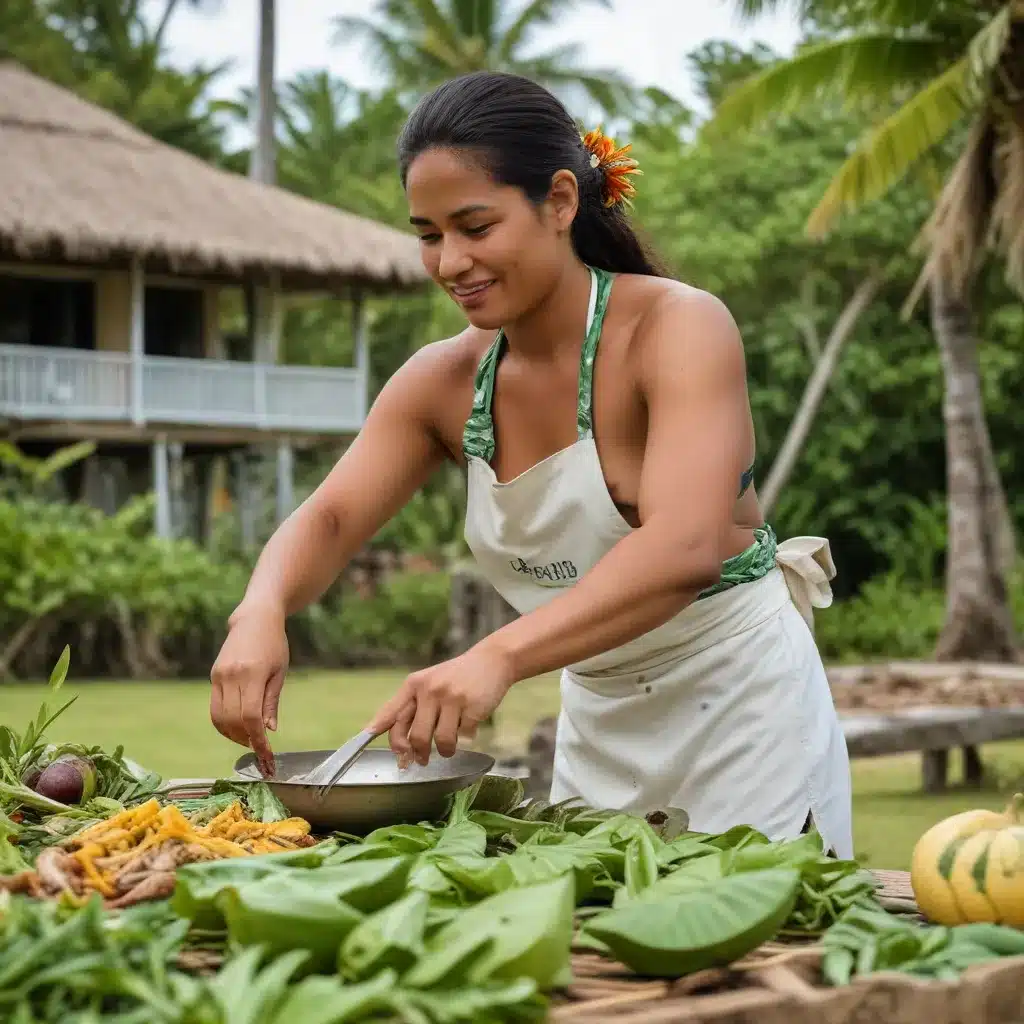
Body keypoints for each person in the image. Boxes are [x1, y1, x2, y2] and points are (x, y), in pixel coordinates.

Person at [210, 70, 854, 859]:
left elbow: (683, 546)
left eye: (475, 226)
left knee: (759, 945)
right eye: (428, 234)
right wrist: (261, 610)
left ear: (558, 201)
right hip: (601, 718)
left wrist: (497, 657)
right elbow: (331, 517)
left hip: (744, 711)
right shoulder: (441, 384)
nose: (450, 262)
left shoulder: (678, 328)